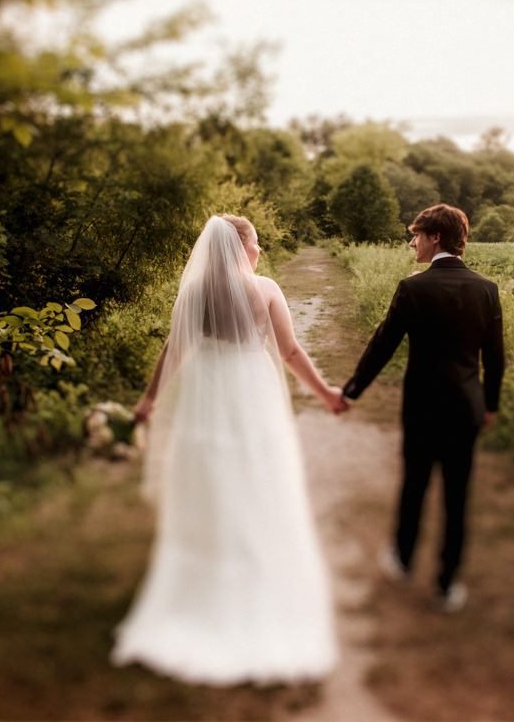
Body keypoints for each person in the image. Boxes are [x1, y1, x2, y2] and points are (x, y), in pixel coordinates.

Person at [111, 214, 343, 685]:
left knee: (209, 482)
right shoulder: (267, 289)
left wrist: (150, 398)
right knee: (257, 479)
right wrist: (325, 394)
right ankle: (257, 581)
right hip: (250, 394)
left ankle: (200, 588)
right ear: (243, 248)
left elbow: (173, 349)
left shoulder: (195, 292)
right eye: (256, 243)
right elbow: (290, 353)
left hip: (207, 396)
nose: (260, 251)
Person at [340, 203, 504, 613]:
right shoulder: (487, 289)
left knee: (414, 484)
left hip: (423, 405)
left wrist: (352, 390)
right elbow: (496, 359)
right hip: (466, 406)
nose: (412, 241)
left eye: (417, 234)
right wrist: (490, 405)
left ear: (435, 238)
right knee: (457, 495)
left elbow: (382, 345)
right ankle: (448, 585)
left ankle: (403, 559)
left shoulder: (413, 288)